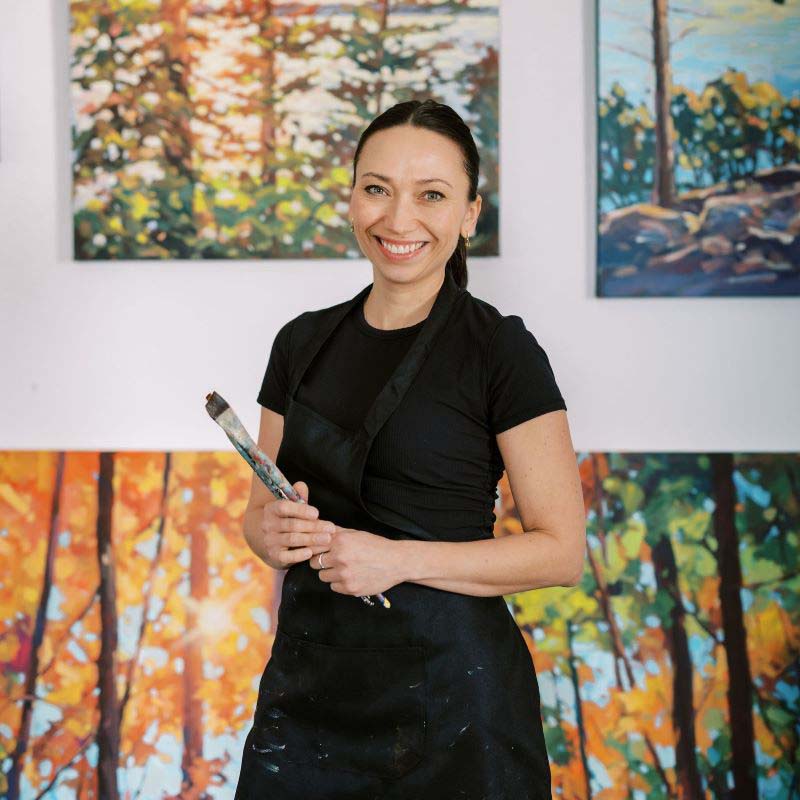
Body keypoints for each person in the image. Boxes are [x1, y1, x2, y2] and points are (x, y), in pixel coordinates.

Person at [234, 99, 586, 800]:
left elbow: (561, 552)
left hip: (456, 709)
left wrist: (397, 560)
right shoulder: (299, 344)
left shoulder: (501, 351)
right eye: (377, 189)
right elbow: (257, 522)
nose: (399, 220)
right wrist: (271, 534)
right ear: (352, 198)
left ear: (469, 214)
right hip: (310, 698)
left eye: (431, 195)